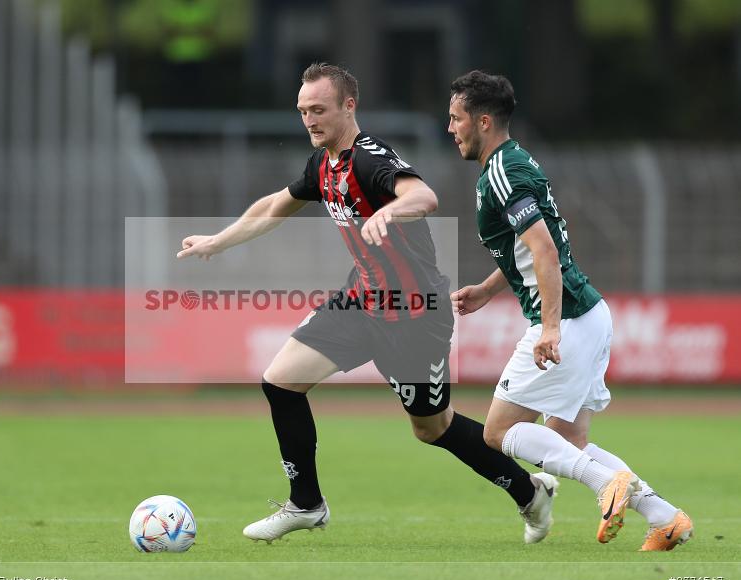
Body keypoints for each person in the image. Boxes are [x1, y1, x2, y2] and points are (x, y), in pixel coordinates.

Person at [178, 63, 559, 545]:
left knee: (432, 428)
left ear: (349, 106)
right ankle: (306, 503)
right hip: (361, 300)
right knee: (280, 382)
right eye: (302, 111)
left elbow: (424, 195)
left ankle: (529, 490)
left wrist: (390, 212)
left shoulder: (369, 159)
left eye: (319, 110)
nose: (309, 120)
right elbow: (274, 206)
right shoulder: (323, 166)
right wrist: (219, 240)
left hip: (415, 315)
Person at [447, 70, 693, 551]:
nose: (450, 128)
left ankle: (608, 486)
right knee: (570, 444)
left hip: (570, 321)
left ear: (482, 121)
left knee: (499, 432)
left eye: (455, 119)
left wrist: (550, 328)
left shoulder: (502, 173)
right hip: (590, 314)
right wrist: (491, 288)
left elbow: (543, 249)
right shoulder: (514, 162)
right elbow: (540, 246)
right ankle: (666, 519)